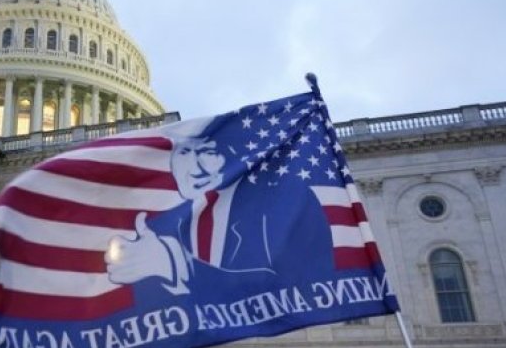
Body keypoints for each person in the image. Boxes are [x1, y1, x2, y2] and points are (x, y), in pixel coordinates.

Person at [106, 121, 335, 297]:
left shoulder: (281, 204)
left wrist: (175, 265)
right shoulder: (161, 227)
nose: (194, 168)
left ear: (231, 157)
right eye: (184, 153)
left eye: (207, 152)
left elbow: (306, 282)